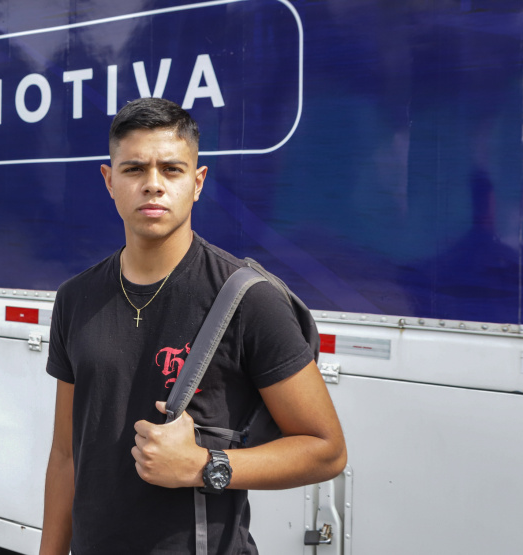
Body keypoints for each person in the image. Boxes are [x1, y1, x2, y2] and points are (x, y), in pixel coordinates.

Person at [39, 97, 347, 554]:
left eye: (172, 169)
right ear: (109, 180)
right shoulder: (75, 299)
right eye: (134, 169)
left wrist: (203, 465)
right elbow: (66, 456)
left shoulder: (247, 299)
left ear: (198, 182)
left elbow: (326, 450)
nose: (153, 185)